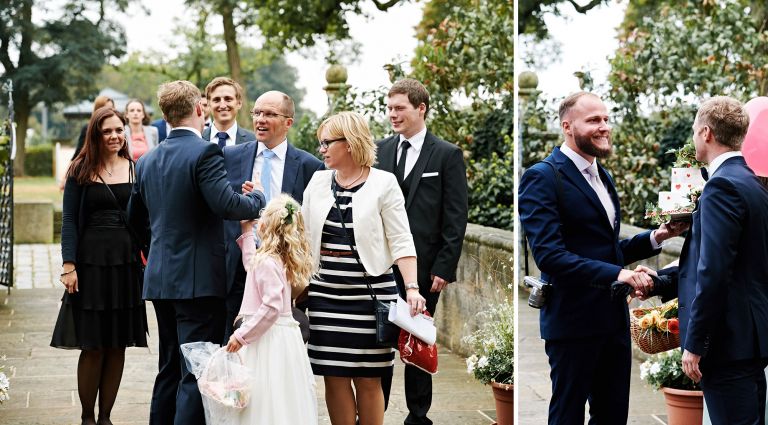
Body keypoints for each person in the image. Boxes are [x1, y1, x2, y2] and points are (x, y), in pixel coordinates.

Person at [517, 91, 686, 424]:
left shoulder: (602, 175)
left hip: (612, 319)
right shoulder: (542, 176)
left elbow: (606, 249)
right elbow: (550, 256)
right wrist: (619, 274)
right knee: (567, 415)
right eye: (593, 120)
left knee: (612, 416)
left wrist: (657, 236)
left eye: (606, 119)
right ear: (567, 126)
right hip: (572, 322)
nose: (604, 126)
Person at [127, 80, 265, 425]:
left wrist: (156, 251)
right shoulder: (205, 153)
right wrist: (257, 198)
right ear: (199, 109)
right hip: (198, 282)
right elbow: (227, 205)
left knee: (169, 366)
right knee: (196, 369)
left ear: (165, 115)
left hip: (160, 278)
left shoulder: (146, 161)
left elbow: (134, 221)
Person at [639, 96, 768, 424]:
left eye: (695, 130)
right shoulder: (753, 185)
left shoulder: (721, 187)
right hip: (751, 340)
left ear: (706, 133)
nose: (694, 137)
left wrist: (695, 343)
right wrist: (661, 282)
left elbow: (714, 271)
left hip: (727, 344)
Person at [302, 111, 426, 425]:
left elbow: (401, 239)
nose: (322, 149)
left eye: (327, 142)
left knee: (369, 378)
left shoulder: (384, 183)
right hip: (324, 297)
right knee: (333, 376)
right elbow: (300, 237)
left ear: (349, 143)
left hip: (371, 299)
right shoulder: (318, 181)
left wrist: (412, 288)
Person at [375, 78, 468, 425]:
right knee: (379, 343)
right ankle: (375, 412)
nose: (392, 114)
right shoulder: (379, 151)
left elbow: (455, 216)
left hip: (426, 268)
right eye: (389, 108)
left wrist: (444, 266)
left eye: (399, 108)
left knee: (418, 340)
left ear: (421, 108)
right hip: (380, 265)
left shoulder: (446, 154)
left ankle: (418, 417)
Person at [51, 106, 148, 425]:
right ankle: (87, 418)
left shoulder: (135, 169)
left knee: (118, 345)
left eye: (119, 130)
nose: (114, 136)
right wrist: (69, 265)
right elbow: (69, 221)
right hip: (90, 265)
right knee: (93, 345)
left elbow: (144, 220)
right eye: (107, 131)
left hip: (125, 265)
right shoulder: (80, 169)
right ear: (95, 134)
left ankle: (106, 418)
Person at [220, 90, 322, 341]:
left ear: (288, 122)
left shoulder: (309, 166)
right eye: (257, 113)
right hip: (236, 266)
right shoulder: (231, 156)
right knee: (232, 340)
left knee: (276, 339)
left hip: (283, 269)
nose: (260, 120)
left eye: (269, 114)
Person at [224, 194, 318, 425]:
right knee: (282, 396)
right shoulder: (276, 259)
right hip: (281, 337)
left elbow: (271, 307)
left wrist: (241, 335)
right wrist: (247, 232)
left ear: (266, 225)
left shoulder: (267, 262)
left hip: (266, 339)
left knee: (265, 396)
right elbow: (251, 264)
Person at [202, 76, 255, 147]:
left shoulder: (254, 141)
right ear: (209, 104)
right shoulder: (198, 138)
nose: (222, 105)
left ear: (239, 103)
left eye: (228, 99)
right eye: (216, 100)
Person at [71, 95, 114, 161]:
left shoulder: (117, 128)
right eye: (106, 109)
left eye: (112, 108)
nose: (110, 111)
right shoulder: (88, 128)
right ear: (98, 109)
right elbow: (78, 153)